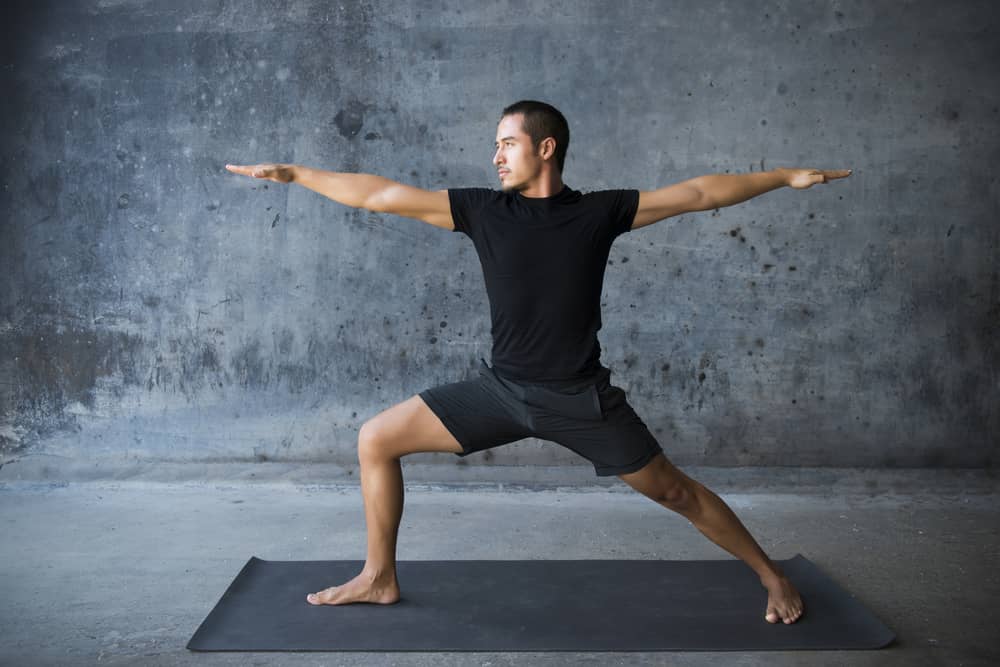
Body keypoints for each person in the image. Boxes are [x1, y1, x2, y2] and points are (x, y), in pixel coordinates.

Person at [226, 100, 850, 625]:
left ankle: (770, 576)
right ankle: (378, 576)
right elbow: (382, 195)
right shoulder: (482, 210)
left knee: (677, 492)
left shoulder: (599, 213)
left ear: (545, 148)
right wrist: (298, 173)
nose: (495, 155)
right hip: (500, 391)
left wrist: (786, 175)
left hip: (579, 398)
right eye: (494, 146)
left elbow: (700, 193)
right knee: (376, 439)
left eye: (506, 143)